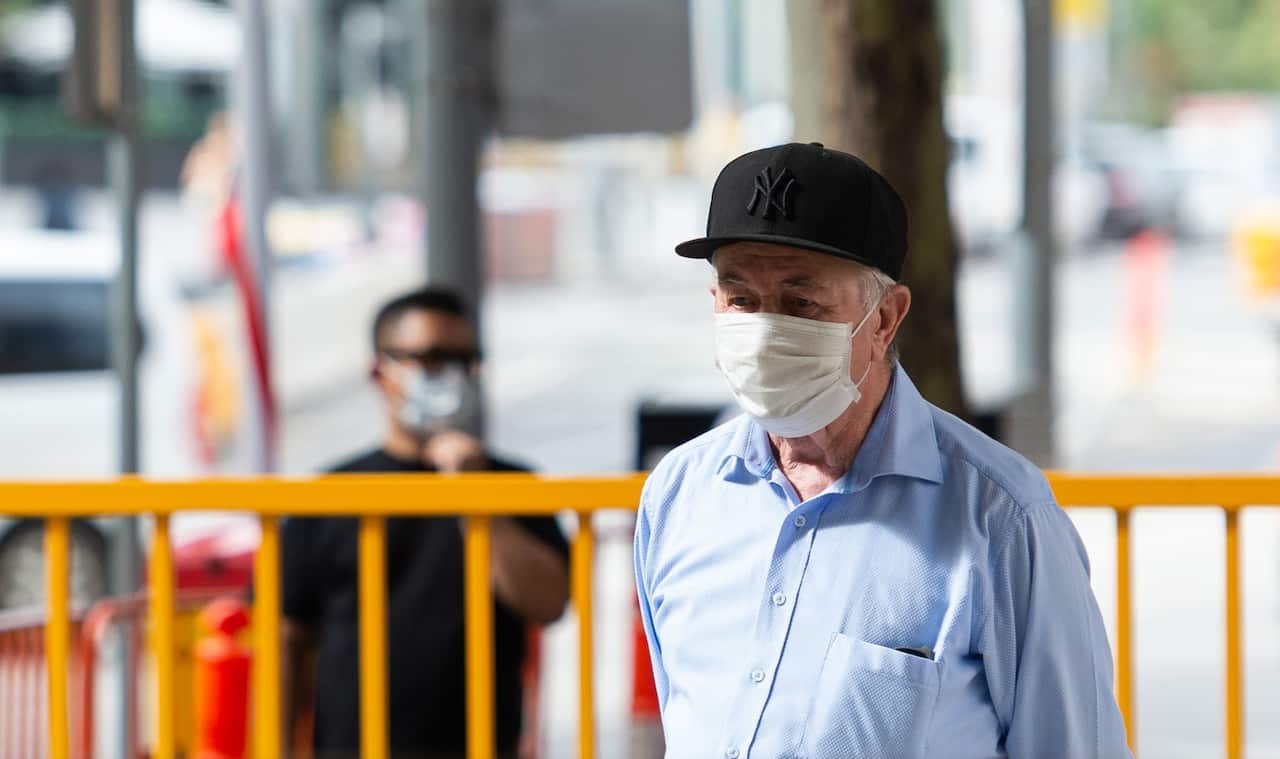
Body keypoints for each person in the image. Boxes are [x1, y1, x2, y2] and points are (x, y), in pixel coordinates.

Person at [633, 143, 1132, 758]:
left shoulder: (1001, 517)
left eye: (801, 303)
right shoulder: (680, 496)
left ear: (885, 318)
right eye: (741, 300)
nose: (764, 333)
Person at [282, 286, 570, 759]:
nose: (452, 375)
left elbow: (548, 602)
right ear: (380, 372)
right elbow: (285, 640)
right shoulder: (330, 495)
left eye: (466, 359)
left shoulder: (513, 485)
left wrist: (474, 496)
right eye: (432, 358)